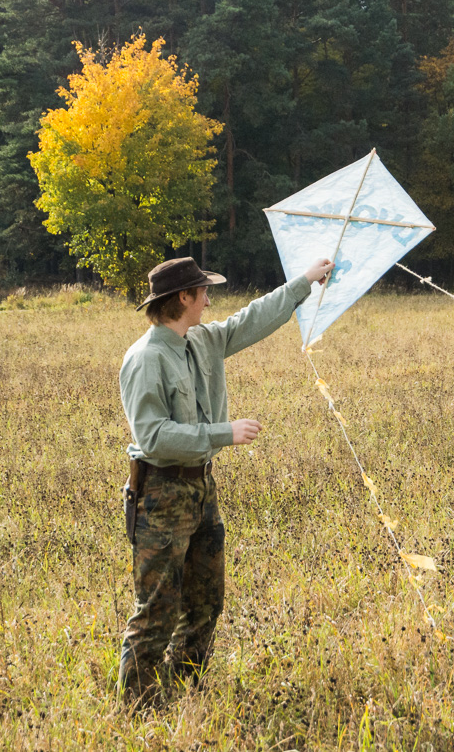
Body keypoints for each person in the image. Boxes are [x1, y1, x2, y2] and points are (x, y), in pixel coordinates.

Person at [117, 254, 333, 709]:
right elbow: (152, 436)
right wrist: (223, 433)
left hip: (202, 489)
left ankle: (186, 692)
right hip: (160, 494)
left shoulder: (202, 340)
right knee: (157, 610)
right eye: (203, 292)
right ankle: (136, 709)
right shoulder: (145, 359)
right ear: (183, 298)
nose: (209, 300)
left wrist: (305, 281)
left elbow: (251, 320)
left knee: (206, 602)